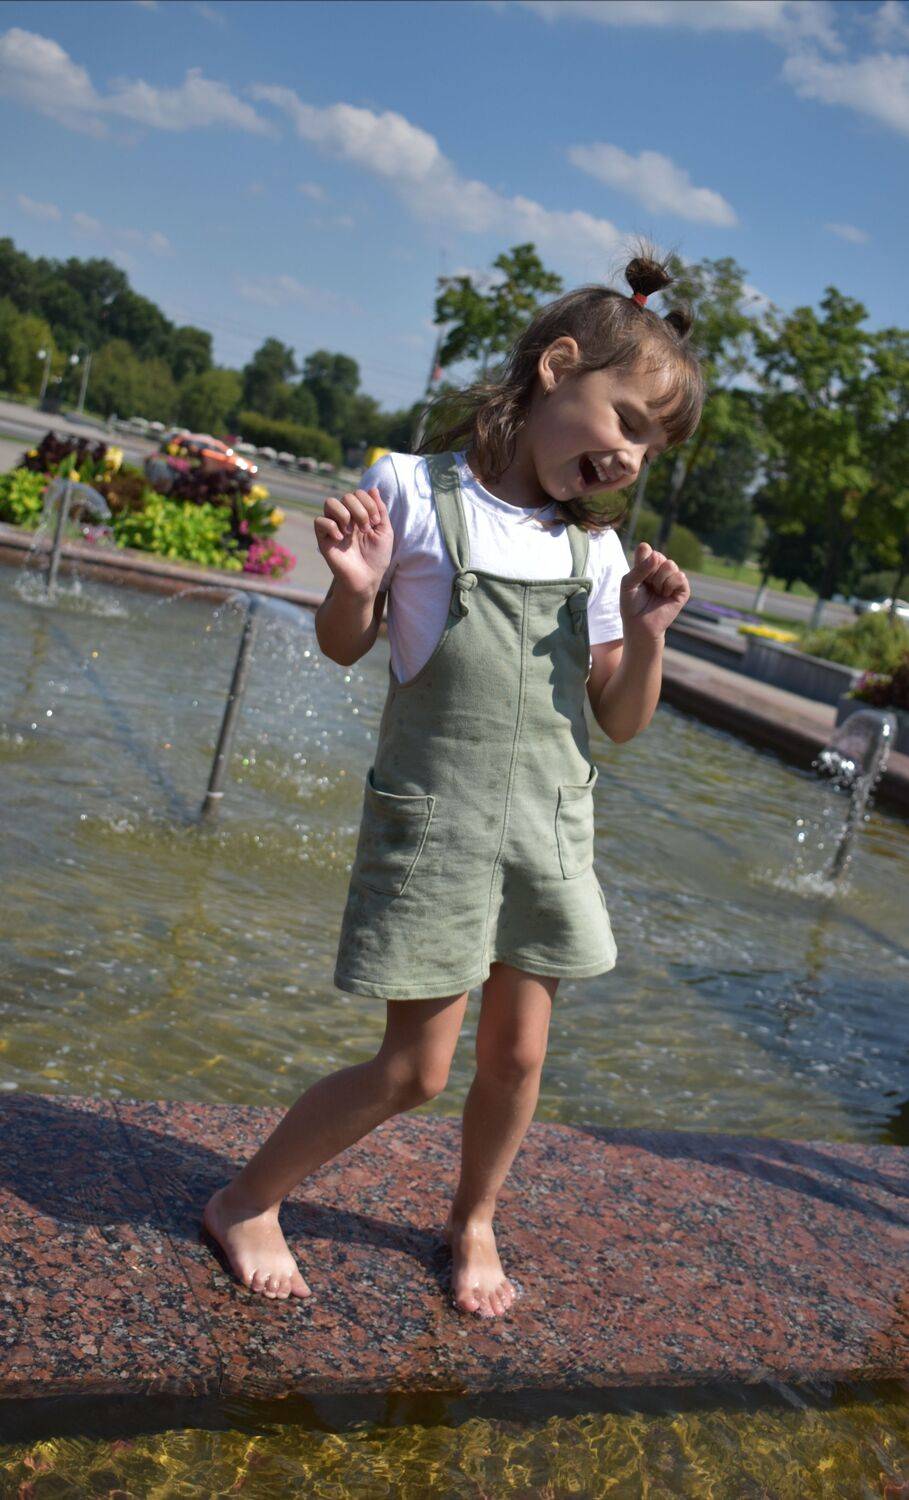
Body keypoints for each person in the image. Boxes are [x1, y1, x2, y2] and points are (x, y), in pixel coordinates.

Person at [201, 246, 705, 1318]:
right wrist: (354, 586)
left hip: (546, 832)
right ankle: (245, 1199)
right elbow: (347, 644)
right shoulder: (415, 492)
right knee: (415, 1070)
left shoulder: (595, 553)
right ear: (556, 370)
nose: (629, 457)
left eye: (649, 447)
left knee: (517, 1058)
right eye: (624, 420)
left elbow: (619, 719)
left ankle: (473, 1218)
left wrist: (650, 633)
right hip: (439, 825)